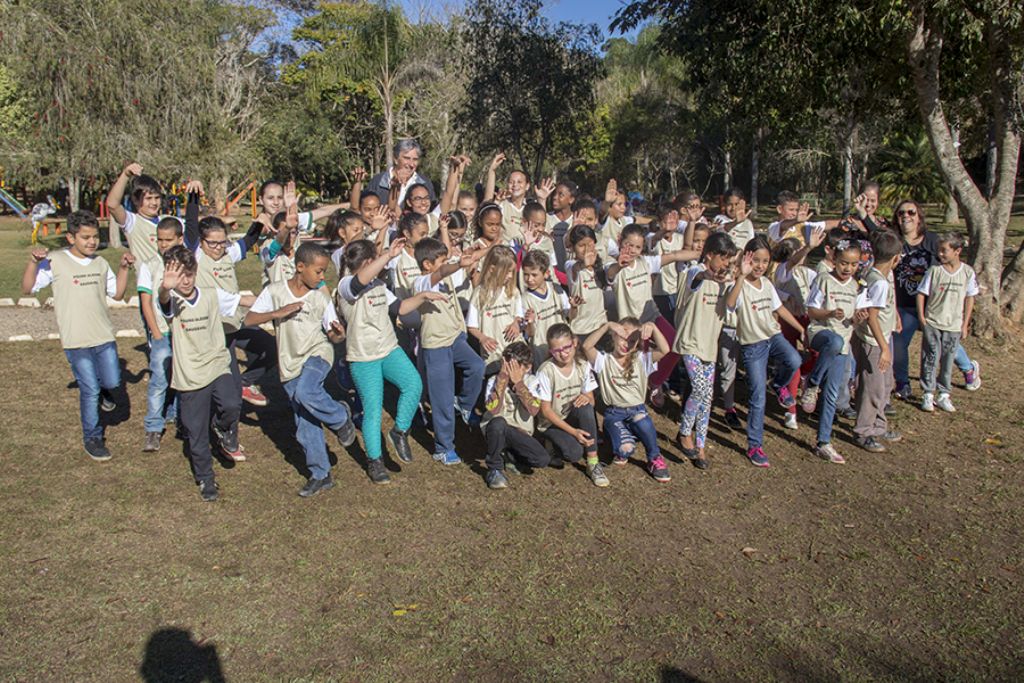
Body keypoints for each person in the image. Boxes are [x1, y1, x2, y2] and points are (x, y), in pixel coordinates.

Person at [244, 241, 355, 497]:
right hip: (289, 363)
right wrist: (279, 312)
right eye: (318, 271)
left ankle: (340, 418)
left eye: (324, 271)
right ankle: (321, 474)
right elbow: (249, 319)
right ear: (300, 267)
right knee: (305, 421)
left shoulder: (320, 297)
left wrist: (338, 335)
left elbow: (334, 335)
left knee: (306, 393)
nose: (322, 277)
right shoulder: (274, 291)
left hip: (317, 354)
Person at [22, 210, 133, 461]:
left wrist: (124, 268)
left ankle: (106, 391)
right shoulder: (55, 261)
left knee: (113, 381)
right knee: (89, 389)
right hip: (76, 339)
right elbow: (28, 288)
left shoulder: (101, 263)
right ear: (71, 238)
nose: (92, 242)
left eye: (95, 237)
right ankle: (92, 438)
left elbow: (117, 294)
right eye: (85, 237)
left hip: (103, 336)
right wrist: (32, 262)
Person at [336, 239, 438, 484]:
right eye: (376, 260)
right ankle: (375, 461)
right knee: (373, 410)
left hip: (389, 349)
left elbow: (400, 307)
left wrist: (422, 296)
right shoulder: (345, 286)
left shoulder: (379, 284)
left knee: (413, 384)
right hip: (363, 356)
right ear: (367, 262)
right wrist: (388, 255)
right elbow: (359, 281)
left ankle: (400, 430)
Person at [157, 246, 247, 501]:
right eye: (180, 276)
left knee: (231, 404)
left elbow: (240, 301)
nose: (185, 280)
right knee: (195, 432)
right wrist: (166, 287)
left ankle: (219, 427)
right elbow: (163, 301)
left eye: (190, 274)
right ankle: (206, 478)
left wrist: (276, 304)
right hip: (191, 375)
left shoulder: (210, 294)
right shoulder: (172, 300)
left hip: (217, 363)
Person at [725, 235, 805, 467]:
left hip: (773, 336)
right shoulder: (739, 285)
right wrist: (741, 275)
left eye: (765, 261)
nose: (760, 266)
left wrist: (800, 329)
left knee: (794, 359)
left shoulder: (767, 284)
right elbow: (730, 304)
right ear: (746, 260)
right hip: (753, 346)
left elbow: (778, 308)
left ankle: (778, 385)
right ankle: (754, 445)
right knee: (757, 397)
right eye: (756, 261)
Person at [891, 200, 980, 400]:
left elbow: (951, 261)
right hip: (905, 305)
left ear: (919, 216)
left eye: (911, 212)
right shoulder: (895, 240)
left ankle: (968, 369)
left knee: (946, 343)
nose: (906, 216)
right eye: (901, 213)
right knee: (899, 343)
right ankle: (903, 382)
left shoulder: (931, 240)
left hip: (934, 305)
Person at [606, 223, 700, 408]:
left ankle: (655, 382)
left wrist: (700, 254)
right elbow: (610, 274)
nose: (632, 250)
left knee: (675, 345)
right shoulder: (613, 266)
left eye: (637, 247)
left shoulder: (646, 263)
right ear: (620, 242)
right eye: (628, 245)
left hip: (652, 316)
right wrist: (618, 266)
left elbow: (674, 256)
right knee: (637, 361)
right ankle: (631, 400)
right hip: (631, 326)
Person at [191, 214, 276, 407]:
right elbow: (189, 225)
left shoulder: (227, 253)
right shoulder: (196, 256)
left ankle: (245, 383)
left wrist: (258, 223)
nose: (218, 247)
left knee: (272, 347)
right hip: (216, 331)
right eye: (213, 243)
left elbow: (247, 241)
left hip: (236, 324)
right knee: (229, 392)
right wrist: (194, 197)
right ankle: (223, 425)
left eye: (222, 242)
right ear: (201, 241)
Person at [414, 237, 486, 466]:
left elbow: (459, 263)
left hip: (455, 338)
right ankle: (444, 447)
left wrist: (474, 253)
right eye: (442, 259)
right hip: (436, 346)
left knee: (476, 366)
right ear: (427, 264)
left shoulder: (447, 275)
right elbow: (443, 271)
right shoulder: (422, 282)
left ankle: (463, 406)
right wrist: (456, 264)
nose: (447, 262)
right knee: (441, 398)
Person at [672, 232, 738, 470]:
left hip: (710, 346)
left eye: (729, 259)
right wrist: (710, 274)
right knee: (699, 389)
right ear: (709, 255)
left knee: (707, 397)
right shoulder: (693, 272)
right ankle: (683, 433)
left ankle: (700, 445)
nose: (726, 264)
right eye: (723, 258)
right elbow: (696, 277)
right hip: (690, 342)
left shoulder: (727, 281)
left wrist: (739, 277)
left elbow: (730, 304)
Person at [583, 318, 673, 483]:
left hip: (637, 410)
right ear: (614, 336)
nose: (627, 344)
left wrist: (652, 327)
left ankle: (654, 457)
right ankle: (623, 439)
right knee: (625, 450)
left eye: (632, 340)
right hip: (614, 413)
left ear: (638, 342)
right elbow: (586, 346)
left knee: (643, 421)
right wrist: (607, 326)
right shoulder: (604, 360)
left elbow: (665, 349)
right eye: (623, 337)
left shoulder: (642, 359)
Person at [802, 238, 862, 464]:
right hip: (821, 333)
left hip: (843, 345)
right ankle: (813, 381)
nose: (848, 268)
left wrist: (858, 318)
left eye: (853, 264)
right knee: (834, 341)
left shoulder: (856, 286)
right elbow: (812, 311)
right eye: (844, 263)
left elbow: (854, 317)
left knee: (832, 394)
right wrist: (828, 314)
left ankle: (823, 442)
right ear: (835, 260)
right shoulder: (824, 279)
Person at [532, 324, 607, 487]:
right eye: (556, 351)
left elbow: (592, 401)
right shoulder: (545, 371)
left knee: (586, 407)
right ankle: (549, 442)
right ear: (551, 351)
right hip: (552, 422)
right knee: (574, 454)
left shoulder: (583, 364)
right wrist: (574, 432)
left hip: (571, 416)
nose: (563, 353)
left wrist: (585, 398)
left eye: (566, 347)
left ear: (574, 342)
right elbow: (545, 410)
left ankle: (593, 462)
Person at [135, 214, 186, 452]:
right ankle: (153, 428)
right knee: (159, 380)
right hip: (162, 334)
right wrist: (156, 334)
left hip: (184, 333)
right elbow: (146, 302)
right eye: (160, 240)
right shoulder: (150, 265)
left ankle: (177, 416)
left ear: (180, 239)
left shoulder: (188, 262)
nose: (163, 245)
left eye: (168, 240)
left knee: (182, 378)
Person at [852, 230, 903, 452]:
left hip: (880, 338)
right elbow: (872, 315)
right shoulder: (880, 282)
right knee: (872, 388)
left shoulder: (871, 273)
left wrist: (895, 318)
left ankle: (879, 426)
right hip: (873, 341)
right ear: (895, 258)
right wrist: (884, 348)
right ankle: (863, 431)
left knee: (884, 386)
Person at [916, 232, 978, 413]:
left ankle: (944, 394)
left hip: (953, 325)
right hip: (933, 322)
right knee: (930, 358)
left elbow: (970, 298)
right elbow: (921, 293)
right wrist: (922, 317)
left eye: (944, 251)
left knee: (948, 359)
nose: (940, 254)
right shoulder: (934, 271)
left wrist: (965, 324)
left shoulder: (967, 272)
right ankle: (928, 393)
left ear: (957, 251)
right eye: (939, 250)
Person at [481, 342, 550, 489]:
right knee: (499, 423)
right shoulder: (494, 380)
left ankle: (510, 456)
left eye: (514, 366)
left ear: (527, 367)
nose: (509, 370)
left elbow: (533, 409)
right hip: (496, 429)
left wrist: (518, 383)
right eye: (506, 364)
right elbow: (493, 410)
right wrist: (502, 381)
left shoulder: (532, 381)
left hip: (519, 432)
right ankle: (495, 469)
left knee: (542, 459)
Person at [466, 245, 525, 374]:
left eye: (512, 272)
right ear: (492, 269)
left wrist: (516, 324)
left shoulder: (513, 291)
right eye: (507, 272)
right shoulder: (479, 294)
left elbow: (518, 316)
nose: (510, 276)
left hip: (515, 351)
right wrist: (483, 338)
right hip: (493, 355)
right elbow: (471, 326)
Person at [106, 162, 164, 265]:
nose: (154, 203)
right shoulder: (132, 222)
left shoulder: (168, 221)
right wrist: (125, 175)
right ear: (135, 200)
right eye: (149, 198)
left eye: (157, 198)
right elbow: (112, 204)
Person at [521, 250, 570, 368]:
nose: (529, 279)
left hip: (562, 349)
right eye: (526, 274)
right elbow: (529, 333)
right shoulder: (524, 299)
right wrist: (530, 323)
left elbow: (570, 317)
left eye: (534, 275)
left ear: (546, 273)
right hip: (541, 352)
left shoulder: (557, 289)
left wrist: (573, 307)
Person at [566, 226, 610, 340]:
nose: (586, 250)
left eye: (590, 244)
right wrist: (584, 264)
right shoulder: (571, 265)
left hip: (600, 326)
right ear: (573, 247)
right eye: (581, 245)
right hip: (580, 329)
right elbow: (575, 269)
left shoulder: (600, 266)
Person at [365, 139, 437, 205]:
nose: (411, 164)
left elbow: (432, 211)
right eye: (407, 158)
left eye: (415, 159)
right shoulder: (379, 181)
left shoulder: (424, 183)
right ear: (396, 159)